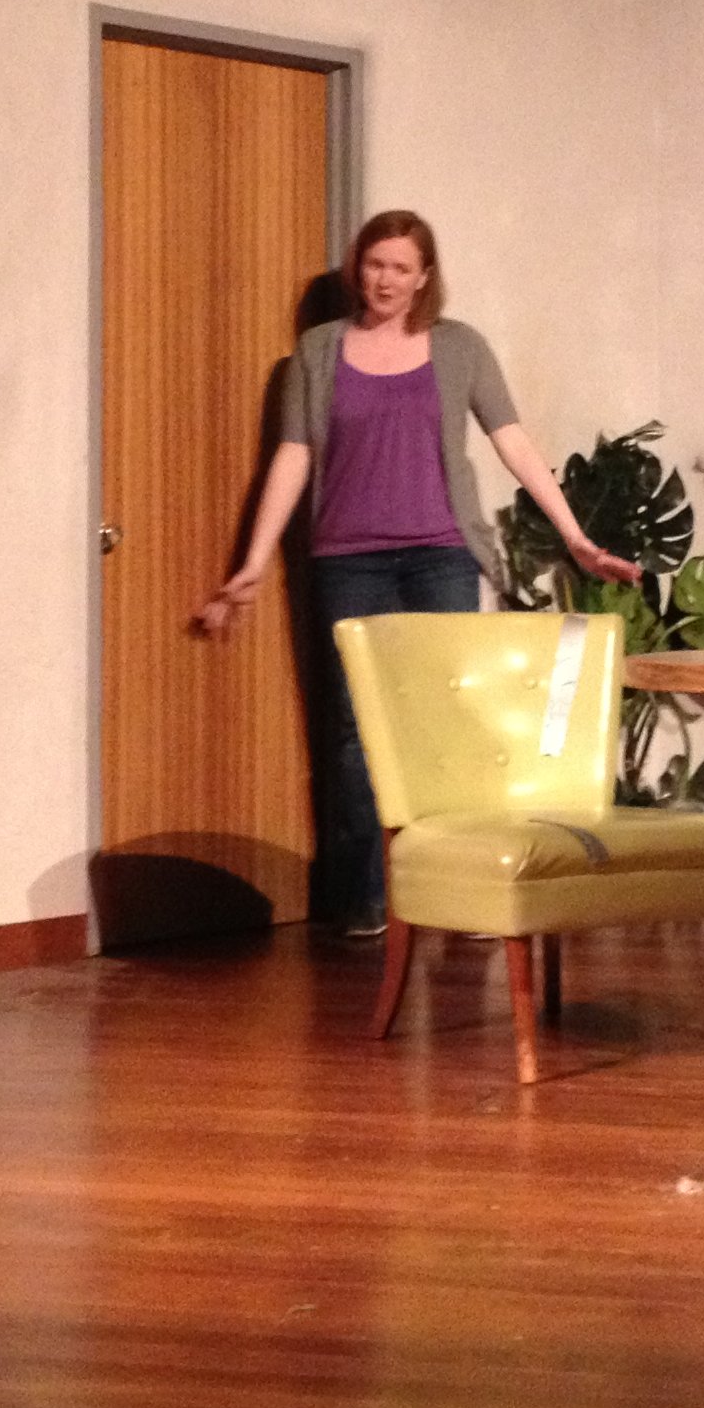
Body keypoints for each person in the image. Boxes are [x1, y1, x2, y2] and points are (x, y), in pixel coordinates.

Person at [195, 209, 638, 934]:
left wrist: (576, 539)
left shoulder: (459, 347)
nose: (385, 280)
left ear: (424, 276)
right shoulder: (318, 350)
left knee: (450, 723)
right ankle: (364, 897)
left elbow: (513, 440)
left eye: (401, 268)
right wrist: (251, 561)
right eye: (375, 264)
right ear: (357, 269)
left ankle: (459, 889)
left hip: (440, 556)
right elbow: (294, 454)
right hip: (348, 562)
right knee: (352, 731)